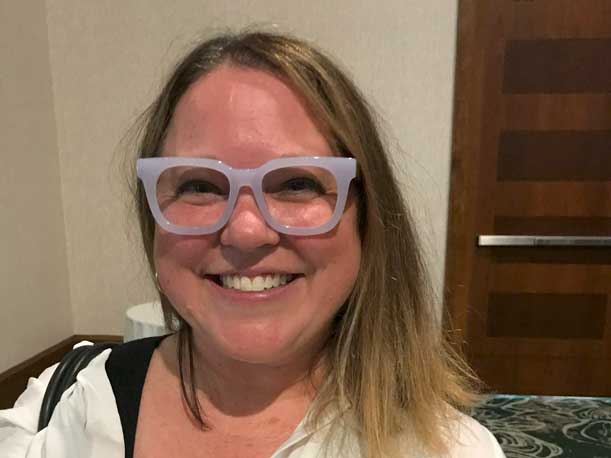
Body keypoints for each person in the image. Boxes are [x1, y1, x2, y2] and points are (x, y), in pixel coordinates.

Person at [0, 31, 505, 457]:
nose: (245, 231)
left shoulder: (450, 449)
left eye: (297, 184)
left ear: (368, 221)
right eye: (199, 185)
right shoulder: (71, 406)